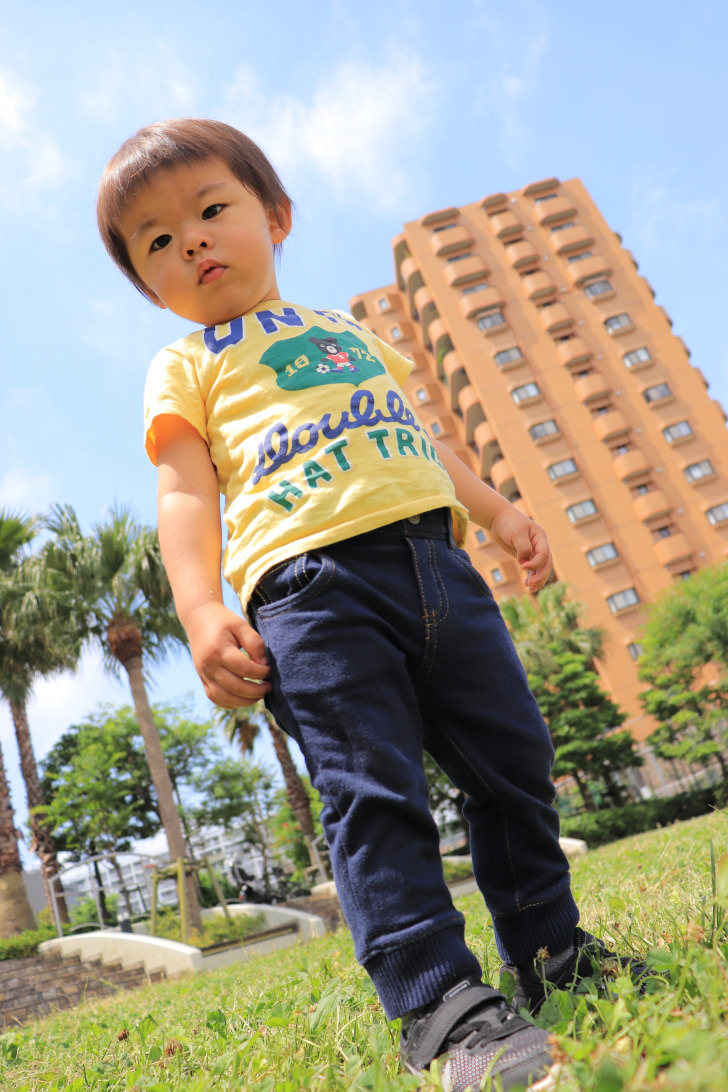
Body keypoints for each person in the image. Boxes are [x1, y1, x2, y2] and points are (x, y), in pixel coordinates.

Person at [97, 118, 645, 1092]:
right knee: (373, 797)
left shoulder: (348, 337)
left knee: (515, 764)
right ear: (150, 285)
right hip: (310, 596)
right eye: (155, 239)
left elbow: (420, 440)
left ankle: (553, 956)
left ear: (275, 216)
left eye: (211, 209)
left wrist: (498, 509)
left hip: (439, 570)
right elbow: (183, 489)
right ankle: (442, 1008)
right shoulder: (190, 366)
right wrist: (197, 606)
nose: (189, 238)